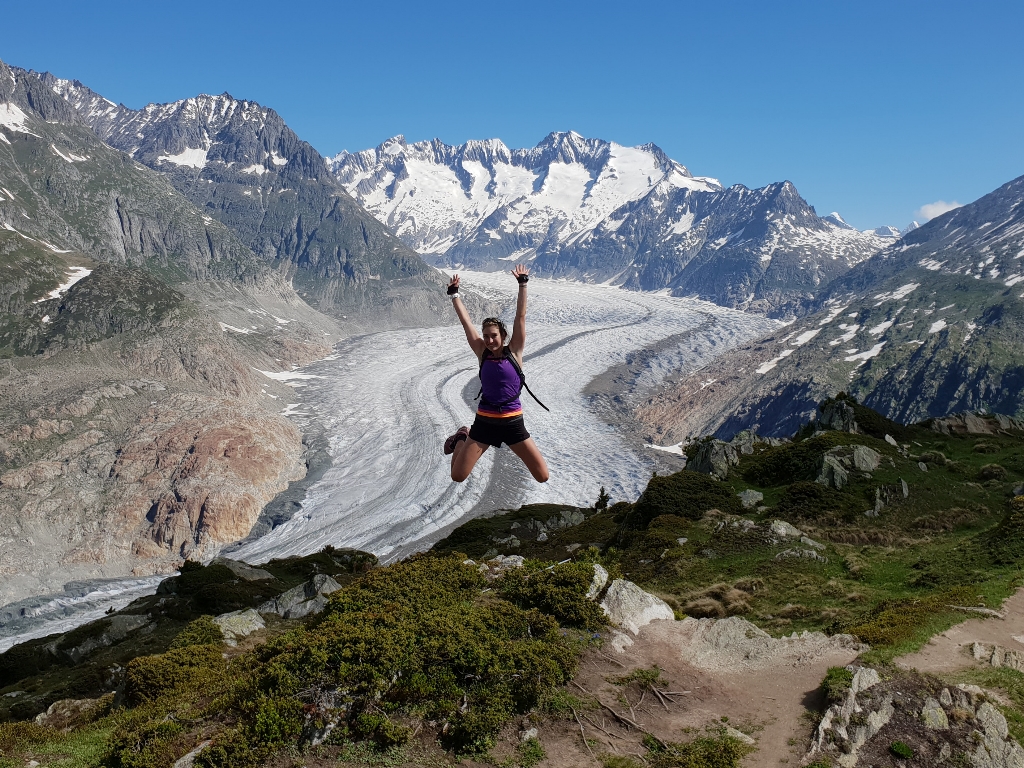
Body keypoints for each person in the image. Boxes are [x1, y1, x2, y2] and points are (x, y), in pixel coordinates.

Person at [444, 265, 550, 483]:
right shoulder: (482, 352)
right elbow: (466, 324)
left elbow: (521, 316)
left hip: (513, 424)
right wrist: (455, 295)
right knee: (457, 476)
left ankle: (465, 437)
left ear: (503, 335)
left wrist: (522, 284)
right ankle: (462, 437)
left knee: (542, 476)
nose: (489, 340)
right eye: (485, 336)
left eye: (493, 336)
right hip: (485, 423)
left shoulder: (515, 352)